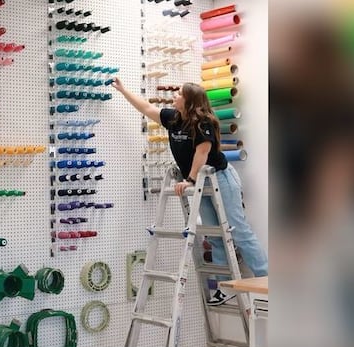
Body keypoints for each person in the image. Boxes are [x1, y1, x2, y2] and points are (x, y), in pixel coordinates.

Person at [110, 78, 268, 305]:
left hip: (219, 178)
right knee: (214, 234)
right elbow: (146, 108)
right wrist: (123, 90)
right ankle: (226, 286)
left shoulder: (204, 122)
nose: (175, 95)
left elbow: (202, 153)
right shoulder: (173, 118)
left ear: (189, 101)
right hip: (200, 182)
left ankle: (266, 277)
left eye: (179, 94)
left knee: (238, 229)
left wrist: (190, 179)